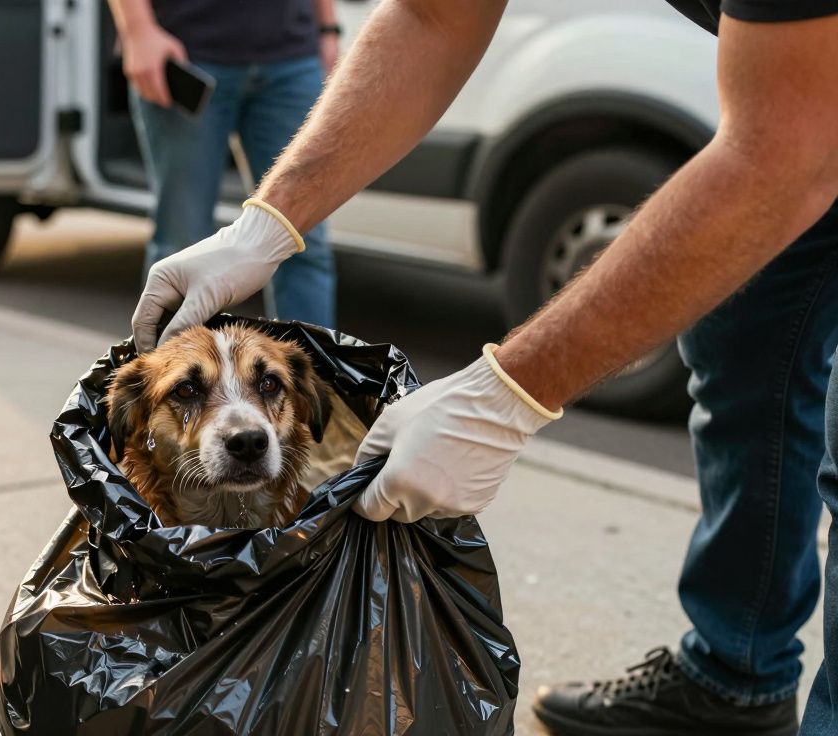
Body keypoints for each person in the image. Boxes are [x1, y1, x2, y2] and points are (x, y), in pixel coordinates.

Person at [129, 1, 838, 733]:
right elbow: (434, 17)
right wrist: (265, 225)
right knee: (744, 342)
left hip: (803, 120)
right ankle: (734, 679)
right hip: (807, 98)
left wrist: (509, 395)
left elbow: (786, 151)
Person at [107, 0, 338, 329]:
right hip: (187, 53)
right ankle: (173, 376)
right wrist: (137, 30)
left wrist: (327, 29)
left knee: (302, 242)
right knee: (181, 241)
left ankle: (313, 377)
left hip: (293, 58)